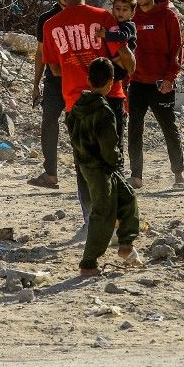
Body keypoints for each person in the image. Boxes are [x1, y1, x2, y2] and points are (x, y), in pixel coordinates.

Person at [42, 0, 135, 222]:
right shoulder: (103, 17)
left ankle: (91, 218)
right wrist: (129, 72)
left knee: (84, 164)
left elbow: (55, 68)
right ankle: (116, 217)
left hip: (76, 102)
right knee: (113, 158)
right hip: (111, 97)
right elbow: (122, 55)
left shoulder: (51, 25)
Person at [66, 57, 143, 277]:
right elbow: (109, 146)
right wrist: (116, 162)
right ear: (110, 83)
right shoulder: (104, 112)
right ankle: (88, 263)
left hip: (88, 166)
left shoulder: (77, 107)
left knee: (128, 198)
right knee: (103, 214)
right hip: (102, 168)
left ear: (88, 80)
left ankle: (126, 245)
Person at [127, 0, 184, 190]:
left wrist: (170, 78)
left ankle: (178, 174)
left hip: (161, 84)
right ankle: (136, 175)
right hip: (137, 83)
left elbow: (177, 50)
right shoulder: (131, 18)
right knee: (134, 129)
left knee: (168, 127)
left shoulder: (167, 16)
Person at [28, 0, 65, 189]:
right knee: (49, 121)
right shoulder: (47, 19)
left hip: (79, 79)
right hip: (53, 80)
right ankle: (50, 173)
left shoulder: (86, 15)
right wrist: (36, 84)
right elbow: (41, 53)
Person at [109, 0, 138, 93]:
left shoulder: (129, 26)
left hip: (122, 66)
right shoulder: (115, 23)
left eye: (125, 9)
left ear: (132, 12)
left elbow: (122, 37)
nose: (120, 12)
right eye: (117, 9)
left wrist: (106, 35)